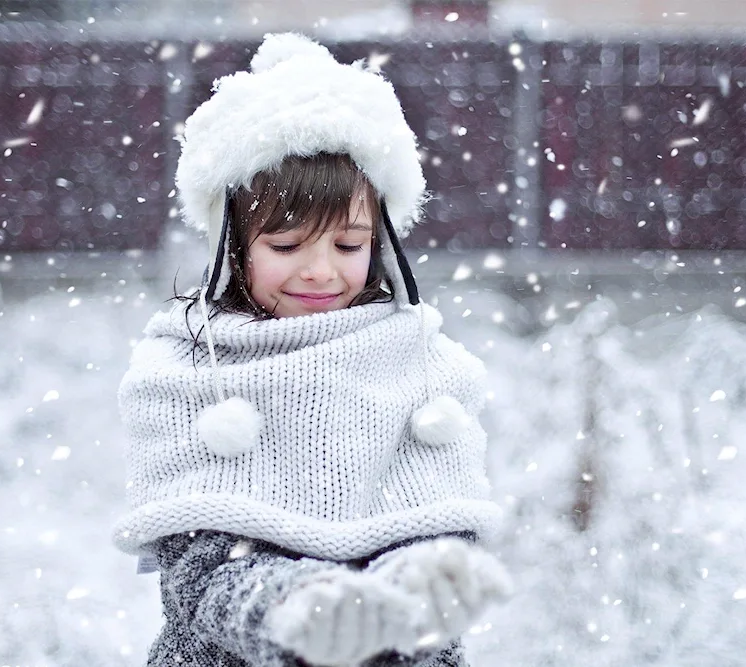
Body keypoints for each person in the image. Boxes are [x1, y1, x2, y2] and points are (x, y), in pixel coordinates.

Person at [112, 33, 511, 667]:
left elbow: (433, 527)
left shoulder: (416, 362)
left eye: (349, 246)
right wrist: (302, 609)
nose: (322, 271)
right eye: (288, 245)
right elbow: (201, 573)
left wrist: (418, 586)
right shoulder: (188, 372)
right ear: (234, 245)